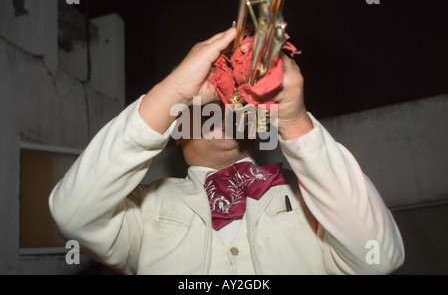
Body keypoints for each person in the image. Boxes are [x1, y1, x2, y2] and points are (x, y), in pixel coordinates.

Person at [49, 27, 405, 275]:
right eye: (203, 106)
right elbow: (71, 213)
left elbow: (379, 258)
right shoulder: (141, 213)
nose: (220, 106)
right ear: (176, 131)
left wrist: (295, 122)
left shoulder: (314, 200)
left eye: (228, 101)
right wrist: (173, 92)